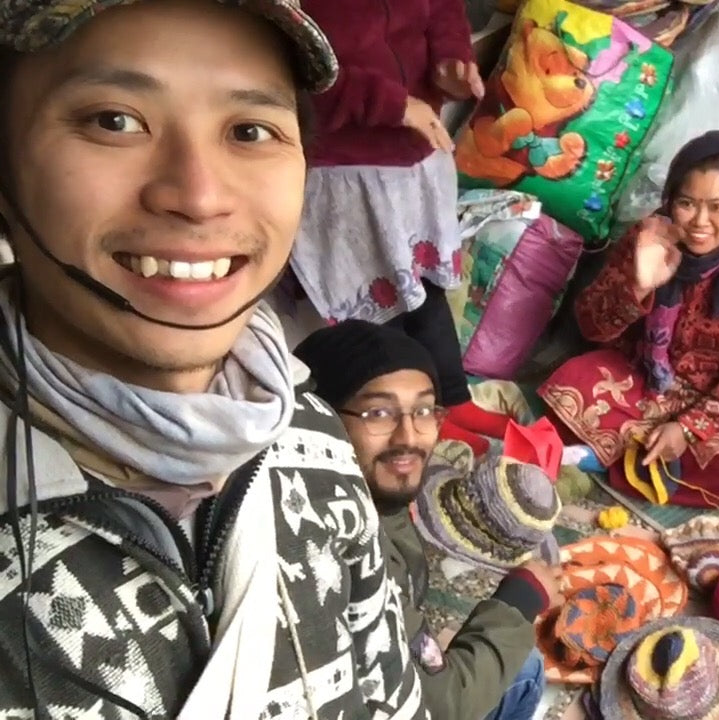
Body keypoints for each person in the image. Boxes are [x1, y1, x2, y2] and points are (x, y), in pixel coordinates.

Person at [0, 0, 444, 714]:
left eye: (249, 130)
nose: (200, 197)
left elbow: (390, 693)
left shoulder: (315, 440)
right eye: (114, 120)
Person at [295, 319, 559, 720]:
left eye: (422, 410)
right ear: (323, 419)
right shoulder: (328, 543)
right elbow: (432, 709)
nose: (409, 436)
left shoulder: (369, 500)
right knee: (525, 670)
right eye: (378, 412)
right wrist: (518, 601)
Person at [539, 130, 719, 508]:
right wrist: (638, 286)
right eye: (687, 203)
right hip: (646, 379)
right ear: (670, 200)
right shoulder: (650, 239)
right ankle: (647, 465)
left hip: (718, 399)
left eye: (717, 207)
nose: (700, 222)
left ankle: (601, 459)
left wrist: (689, 428)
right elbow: (591, 326)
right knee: (567, 386)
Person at [289, 0, 481, 428]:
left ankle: (451, 401)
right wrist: (393, 104)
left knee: (424, 289)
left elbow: (444, 9)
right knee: (375, 314)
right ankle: (399, 418)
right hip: (344, 170)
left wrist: (452, 58)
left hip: (413, 158)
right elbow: (294, 75)